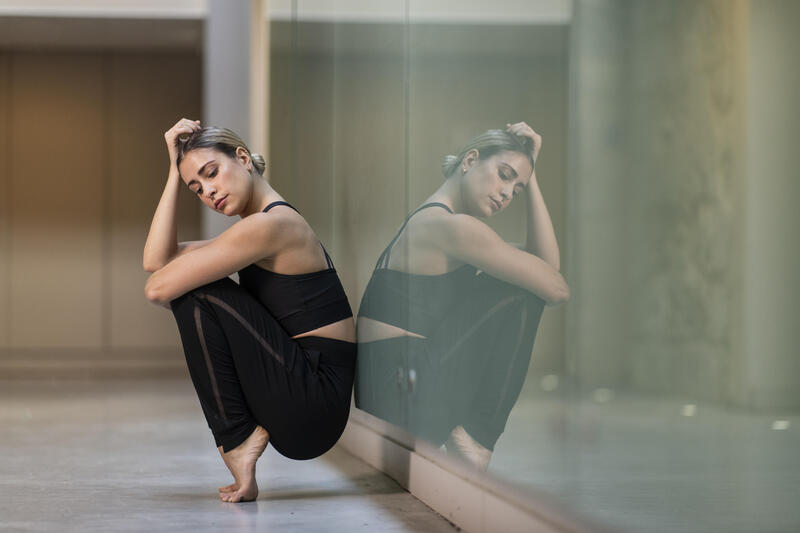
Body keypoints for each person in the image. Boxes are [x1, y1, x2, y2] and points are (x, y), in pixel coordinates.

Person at [143, 118, 356, 503]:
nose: (208, 191)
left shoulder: (272, 225)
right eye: (197, 188)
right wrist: (173, 171)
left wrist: (178, 169)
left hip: (315, 400)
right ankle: (237, 437)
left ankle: (235, 437)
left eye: (211, 173)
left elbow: (157, 288)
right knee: (192, 284)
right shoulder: (255, 230)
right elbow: (157, 260)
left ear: (242, 158)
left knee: (197, 291)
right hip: (303, 399)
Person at [355, 121, 568, 471]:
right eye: (504, 174)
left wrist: (532, 179)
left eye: (517, 190)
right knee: (522, 294)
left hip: (391, 399)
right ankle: (477, 437)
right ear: (470, 160)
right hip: (399, 400)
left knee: (524, 282)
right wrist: (530, 176)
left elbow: (546, 268)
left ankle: (469, 435)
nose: (506, 193)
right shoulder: (449, 227)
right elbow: (556, 289)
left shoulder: (442, 224)